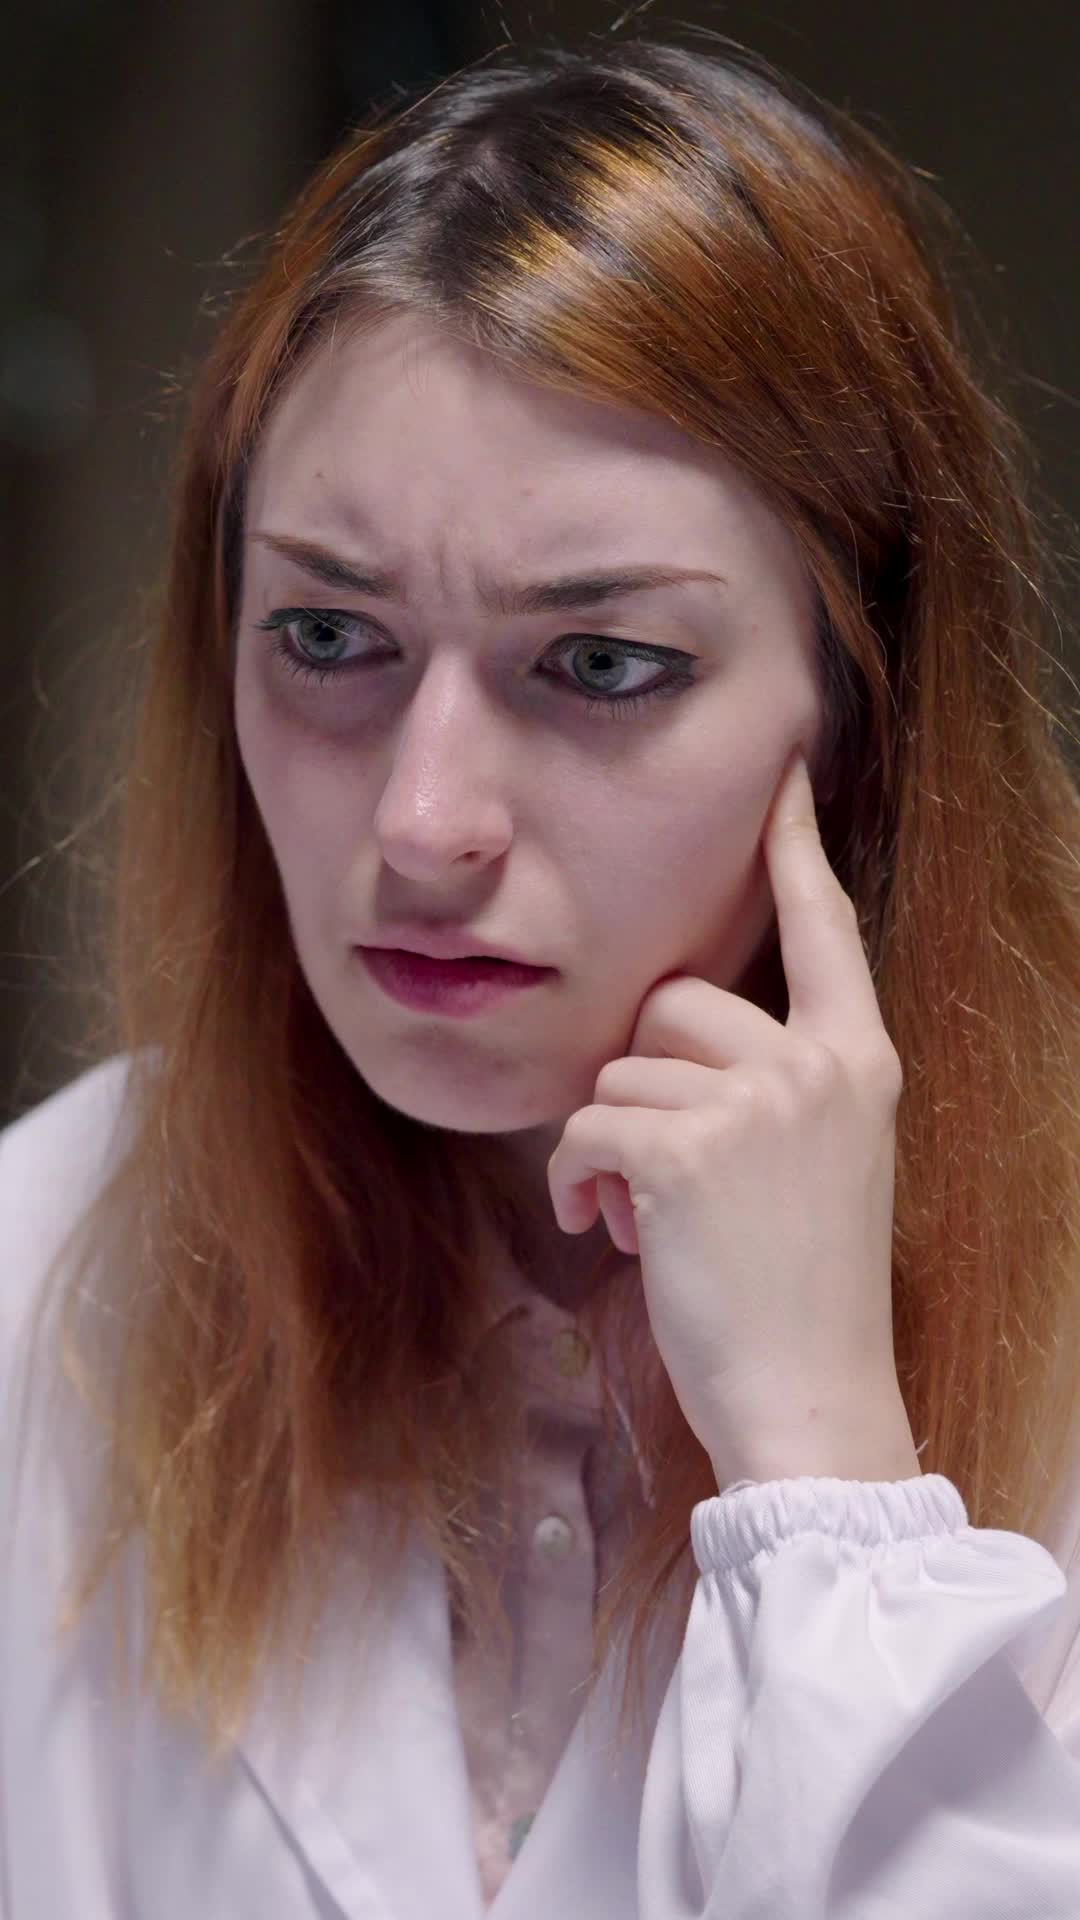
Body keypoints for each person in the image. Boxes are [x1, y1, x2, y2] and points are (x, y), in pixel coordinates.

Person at [3, 29, 1080, 1919]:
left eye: (597, 665)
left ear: (864, 713)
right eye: (326, 636)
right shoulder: (46, 1261)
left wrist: (829, 1479)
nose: (424, 822)